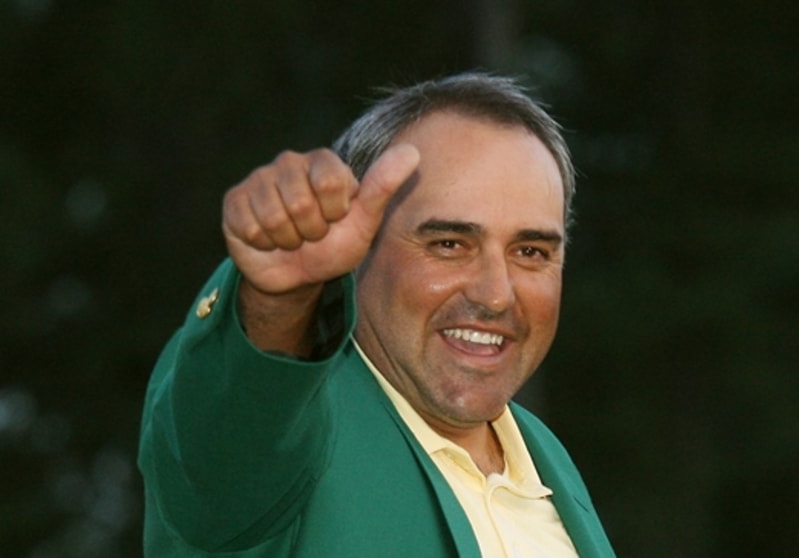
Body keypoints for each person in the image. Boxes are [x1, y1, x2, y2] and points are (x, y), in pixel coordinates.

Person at [139, 72, 616, 557]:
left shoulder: (546, 460)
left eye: (531, 251)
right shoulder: (289, 432)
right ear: (353, 248)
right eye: (449, 244)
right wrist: (278, 302)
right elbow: (226, 452)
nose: (496, 295)